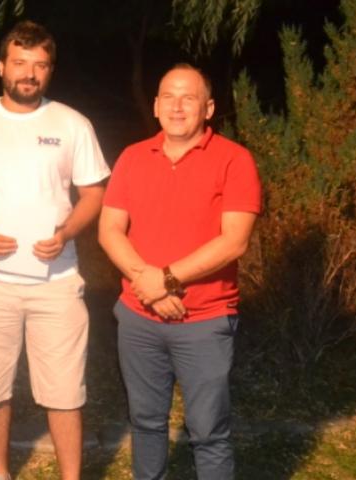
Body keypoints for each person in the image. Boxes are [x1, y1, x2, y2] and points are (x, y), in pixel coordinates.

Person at [0, 20, 111, 480]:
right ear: (1, 67)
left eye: (40, 65)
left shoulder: (73, 124)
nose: (29, 73)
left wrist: (66, 232)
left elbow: (93, 194)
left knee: (65, 390)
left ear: (50, 71)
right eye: (20, 63)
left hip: (56, 281)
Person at [98, 64, 260, 480]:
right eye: (168, 97)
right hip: (139, 319)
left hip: (204, 321)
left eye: (189, 98)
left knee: (208, 432)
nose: (177, 106)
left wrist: (167, 279)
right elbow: (109, 230)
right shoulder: (133, 157)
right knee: (146, 422)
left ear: (208, 108)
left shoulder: (234, 160)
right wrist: (150, 285)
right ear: (155, 106)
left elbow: (234, 241)